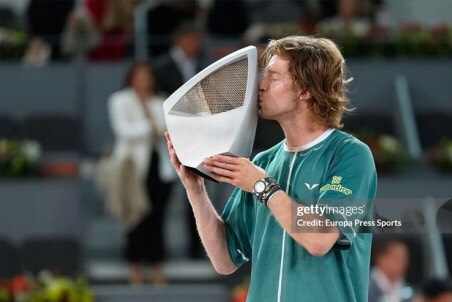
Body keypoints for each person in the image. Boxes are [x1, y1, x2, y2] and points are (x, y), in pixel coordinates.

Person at [166, 35, 377, 301]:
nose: (260, 86)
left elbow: (319, 239)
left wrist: (262, 186)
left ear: (306, 90)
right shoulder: (263, 162)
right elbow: (224, 260)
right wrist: (196, 190)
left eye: (274, 78)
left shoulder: (349, 154)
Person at [108, 62, 176, 284]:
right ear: (131, 78)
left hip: (158, 166)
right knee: (135, 217)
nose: (144, 81)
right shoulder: (119, 100)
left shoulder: (160, 101)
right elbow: (123, 131)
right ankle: (134, 265)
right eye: (140, 76)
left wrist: (155, 128)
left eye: (148, 76)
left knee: (157, 216)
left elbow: (168, 129)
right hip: (133, 168)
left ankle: (156, 264)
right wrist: (149, 128)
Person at [154, 22, 206, 259]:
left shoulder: (202, 64)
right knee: (161, 198)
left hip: (198, 137)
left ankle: (197, 249)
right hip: (168, 138)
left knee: (195, 193)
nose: (196, 45)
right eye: (192, 40)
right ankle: (159, 251)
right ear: (180, 40)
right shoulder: (161, 67)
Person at [369, 237, 413, 302]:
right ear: (381, 259)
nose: (403, 263)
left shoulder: (409, 291)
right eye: (397, 258)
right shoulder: (365, 287)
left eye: (405, 258)